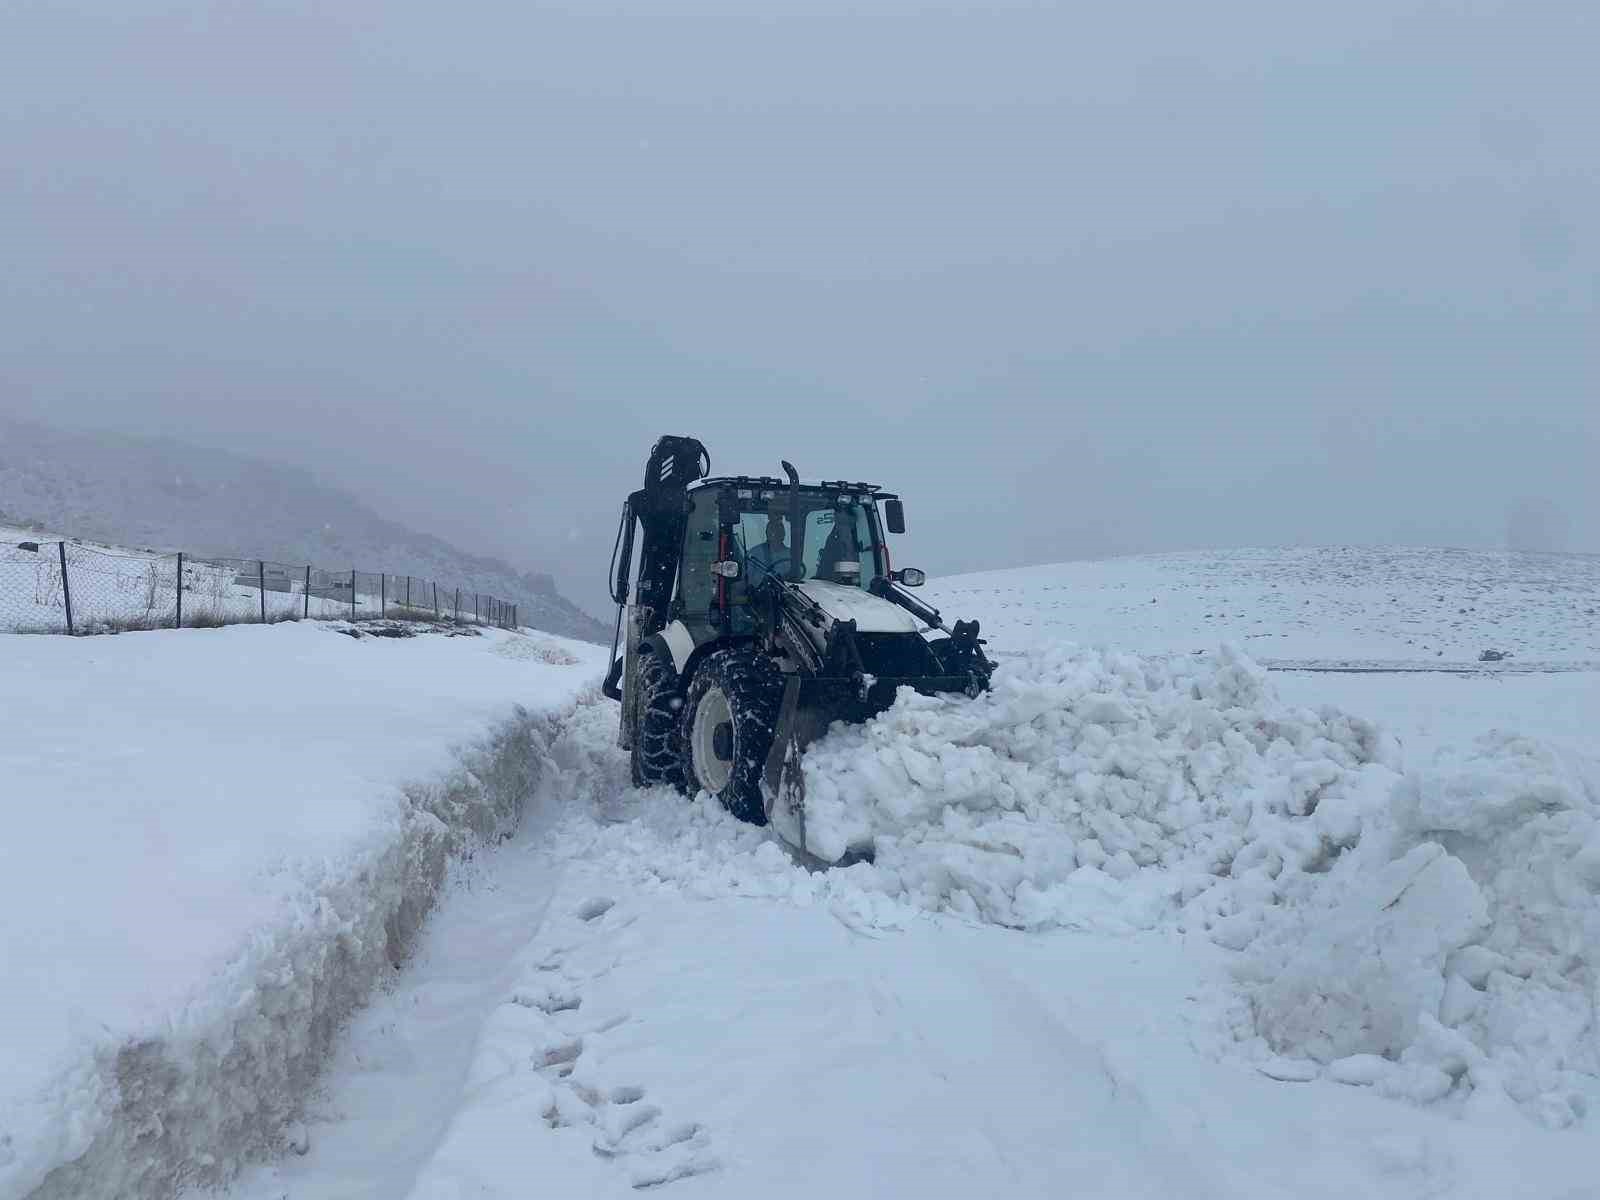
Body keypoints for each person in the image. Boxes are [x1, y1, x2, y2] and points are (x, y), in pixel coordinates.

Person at [746, 510, 799, 586]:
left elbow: (797, 577)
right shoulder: (754, 554)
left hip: (787, 594)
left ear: (783, 534)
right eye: (772, 531)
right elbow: (746, 580)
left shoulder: (792, 555)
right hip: (758, 595)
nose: (775, 534)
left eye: (778, 531)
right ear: (767, 533)